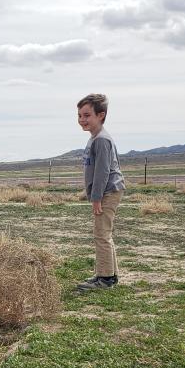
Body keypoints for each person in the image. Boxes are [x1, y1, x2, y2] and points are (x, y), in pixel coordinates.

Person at [75, 93, 125, 291]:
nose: (82, 120)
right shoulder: (95, 138)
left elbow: (103, 171)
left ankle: (105, 279)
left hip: (107, 191)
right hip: (107, 191)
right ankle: (108, 274)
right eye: (79, 115)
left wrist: (96, 198)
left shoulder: (101, 140)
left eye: (87, 115)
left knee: (101, 234)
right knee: (104, 234)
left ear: (101, 115)